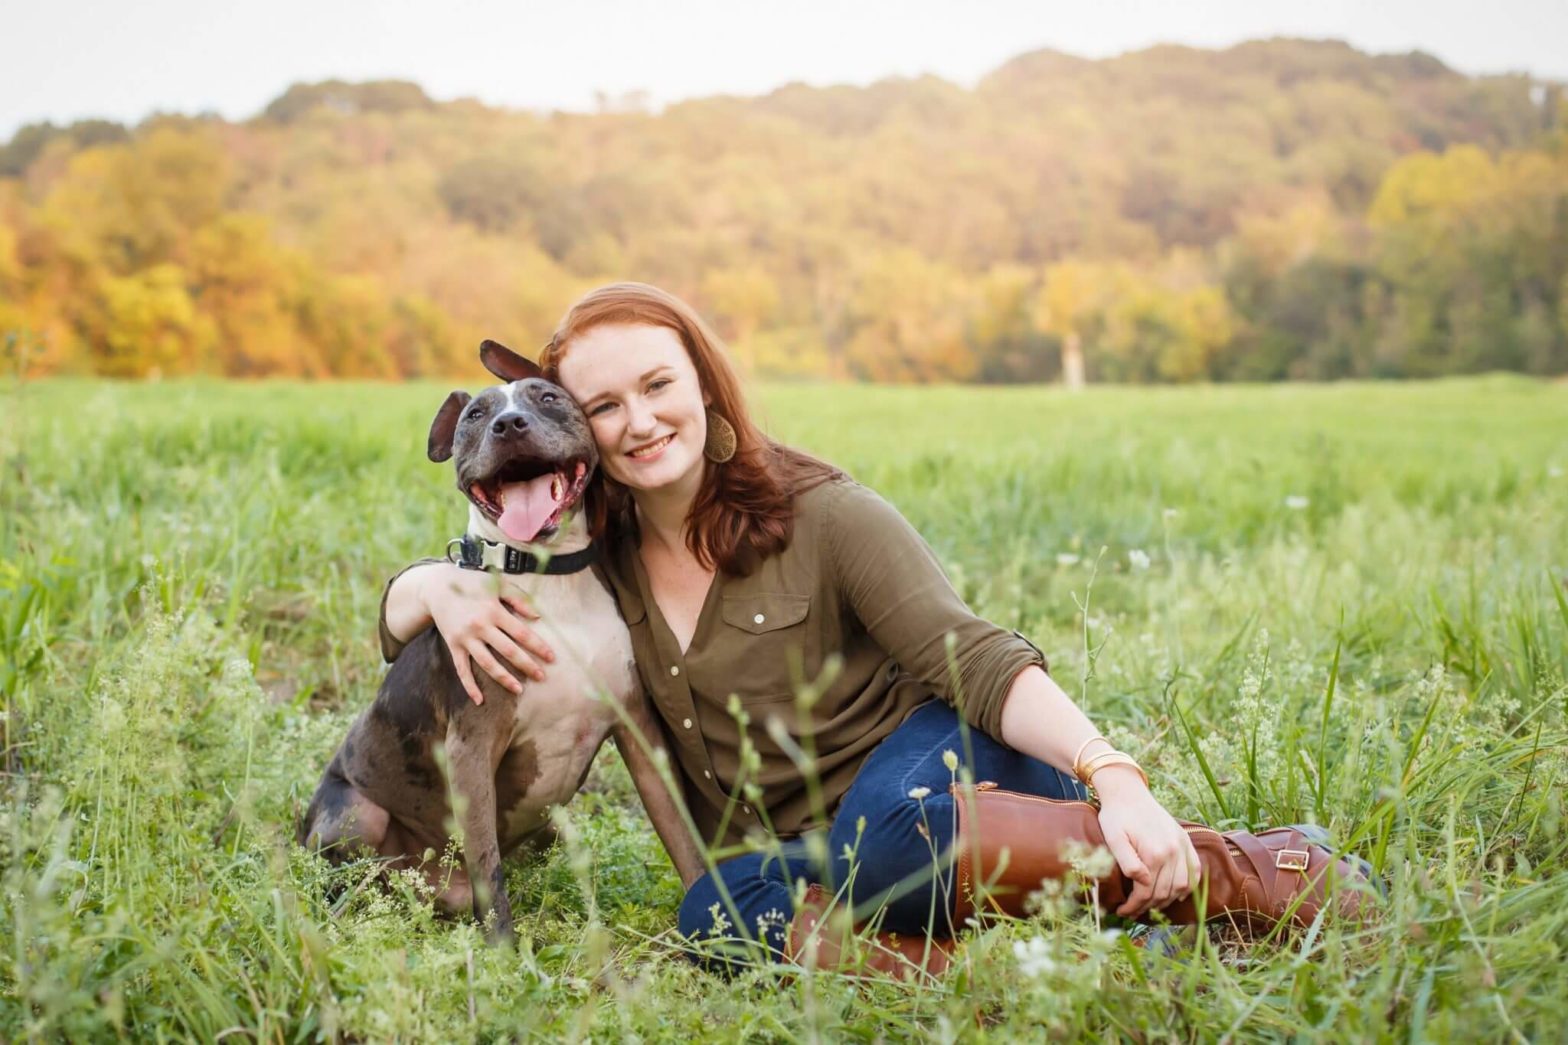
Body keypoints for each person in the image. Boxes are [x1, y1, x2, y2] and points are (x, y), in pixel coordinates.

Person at [380, 282, 1365, 976]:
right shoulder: (597, 554)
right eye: (602, 405)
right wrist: (431, 585)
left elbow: (973, 654)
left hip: (950, 774)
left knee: (885, 838)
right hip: (838, 841)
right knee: (715, 914)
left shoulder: (823, 511)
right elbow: (409, 621)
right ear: (574, 428)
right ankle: (1025, 972)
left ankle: (1253, 867)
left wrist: (1114, 774)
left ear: (703, 382)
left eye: (656, 384)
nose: (636, 420)